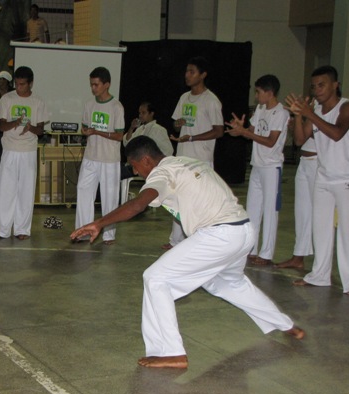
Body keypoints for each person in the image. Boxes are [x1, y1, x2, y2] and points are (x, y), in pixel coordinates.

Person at [71, 136, 305, 369]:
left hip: (219, 234)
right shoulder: (187, 162)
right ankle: (285, 324)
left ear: (146, 161)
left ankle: (169, 351)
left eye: (134, 166)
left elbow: (138, 205)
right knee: (227, 284)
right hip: (243, 230)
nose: (136, 172)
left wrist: (100, 223)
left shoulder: (161, 173)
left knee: (156, 278)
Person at [285, 66, 349, 295]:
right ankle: (319, 276)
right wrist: (299, 115)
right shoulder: (316, 111)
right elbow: (299, 140)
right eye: (314, 86)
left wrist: (310, 114)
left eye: (322, 85)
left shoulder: (348, 106)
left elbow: (337, 133)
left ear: (335, 85)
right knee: (321, 228)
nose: (317, 90)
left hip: (346, 178)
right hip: (324, 177)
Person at [226, 74, 289, 265]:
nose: (256, 96)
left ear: (270, 93)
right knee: (253, 210)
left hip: (271, 167)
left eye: (259, 92)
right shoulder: (261, 109)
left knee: (270, 211)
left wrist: (245, 132)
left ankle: (266, 254)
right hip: (257, 165)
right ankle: (251, 249)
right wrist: (241, 129)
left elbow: (271, 141)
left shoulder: (281, 113)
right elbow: (251, 133)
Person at [167, 56, 224, 249]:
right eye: (186, 71)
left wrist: (192, 137)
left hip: (201, 159)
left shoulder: (211, 100)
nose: (187, 75)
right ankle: (175, 240)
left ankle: (200, 239)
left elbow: (219, 130)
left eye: (192, 72)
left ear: (203, 74)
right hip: (183, 156)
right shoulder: (184, 97)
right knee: (178, 198)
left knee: (199, 201)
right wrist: (178, 124)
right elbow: (175, 123)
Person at [0, 66, 48, 241]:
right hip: (9, 150)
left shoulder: (38, 101)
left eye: (22, 84)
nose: (19, 87)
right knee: (6, 190)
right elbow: (0, 126)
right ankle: (1, 229)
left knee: (26, 191)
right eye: (16, 84)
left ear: (30, 84)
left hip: (28, 152)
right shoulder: (7, 99)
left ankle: (22, 229)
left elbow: (40, 131)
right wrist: (15, 122)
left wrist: (31, 127)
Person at [75, 66, 124, 245]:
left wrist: (98, 132)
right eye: (91, 85)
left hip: (109, 159)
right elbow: (84, 126)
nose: (93, 88)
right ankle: (83, 230)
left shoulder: (116, 106)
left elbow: (120, 135)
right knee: (83, 191)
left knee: (109, 196)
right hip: (91, 157)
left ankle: (109, 234)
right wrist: (87, 131)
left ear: (106, 85)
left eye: (96, 85)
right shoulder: (89, 104)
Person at [275, 137, 317, 269]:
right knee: (302, 213)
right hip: (304, 161)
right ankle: (298, 257)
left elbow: (301, 138)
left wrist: (305, 124)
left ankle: (322, 265)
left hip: (319, 162)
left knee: (323, 216)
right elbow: (300, 137)